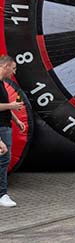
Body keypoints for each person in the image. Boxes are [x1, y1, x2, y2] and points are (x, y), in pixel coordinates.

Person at [0, 55, 24, 208]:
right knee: (3, 160)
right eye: (13, 68)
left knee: (3, 161)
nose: (14, 72)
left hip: (5, 125)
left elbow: (5, 106)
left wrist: (16, 120)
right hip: (1, 128)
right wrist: (11, 106)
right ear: (6, 66)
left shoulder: (2, 83)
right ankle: (2, 194)